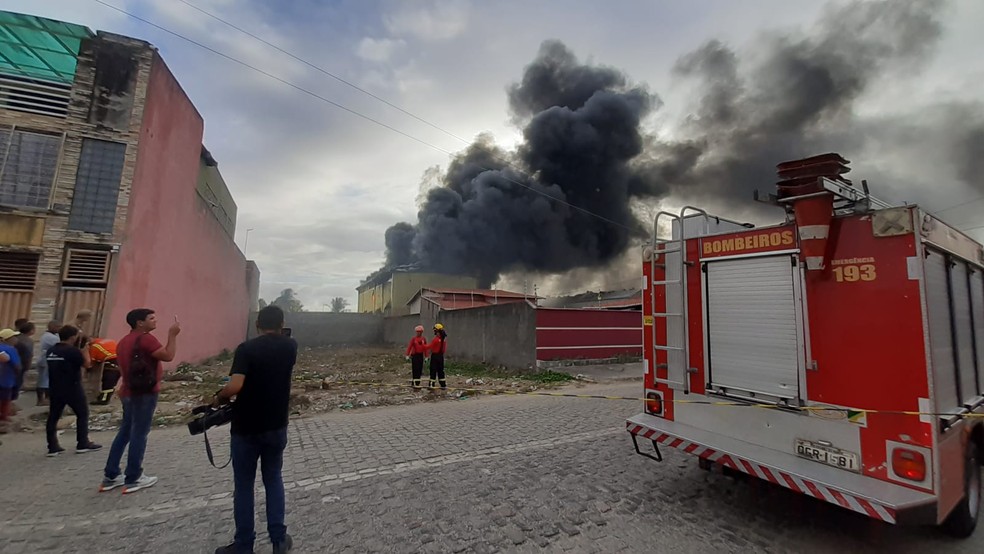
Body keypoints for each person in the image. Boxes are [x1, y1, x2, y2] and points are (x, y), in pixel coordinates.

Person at [213, 305, 296, 554]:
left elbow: (235, 385)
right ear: (282, 324)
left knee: (244, 485)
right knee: (273, 479)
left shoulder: (246, 349)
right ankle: (279, 540)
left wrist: (219, 396)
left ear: (258, 324)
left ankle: (244, 544)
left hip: (246, 427)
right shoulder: (291, 346)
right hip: (276, 424)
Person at [99, 308, 180, 494]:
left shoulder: (123, 342)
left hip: (127, 392)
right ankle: (133, 477)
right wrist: (173, 334)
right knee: (139, 433)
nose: (155, 321)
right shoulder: (146, 339)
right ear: (139, 323)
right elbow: (168, 355)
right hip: (145, 393)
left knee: (125, 432)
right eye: (151, 318)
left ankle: (111, 475)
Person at [45, 325, 102, 456]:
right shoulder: (73, 351)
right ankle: (82, 443)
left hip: (55, 388)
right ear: (72, 337)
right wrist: (85, 350)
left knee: (53, 416)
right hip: (72, 387)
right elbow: (87, 364)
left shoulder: (52, 351)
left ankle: (52, 447)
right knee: (82, 414)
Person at [35, 321, 61, 406]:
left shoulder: (54, 336)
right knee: (43, 381)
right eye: (57, 326)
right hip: (45, 360)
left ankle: (46, 399)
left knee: (47, 380)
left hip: (49, 359)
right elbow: (60, 344)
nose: (59, 328)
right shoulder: (49, 337)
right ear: (51, 327)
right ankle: (42, 399)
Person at [0, 329, 22, 430]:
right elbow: (17, 366)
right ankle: (4, 418)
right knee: (5, 399)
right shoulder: (11, 349)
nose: (16, 339)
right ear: (7, 339)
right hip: (6, 379)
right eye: (14, 337)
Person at [89, 339, 120, 405]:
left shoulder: (94, 346)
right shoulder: (109, 341)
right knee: (113, 381)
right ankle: (104, 396)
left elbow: (91, 362)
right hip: (122, 359)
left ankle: (104, 400)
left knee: (107, 381)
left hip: (112, 361)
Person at [14, 321, 35, 400]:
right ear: (30, 331)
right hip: (21, 364)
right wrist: (28, 365)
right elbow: (29, 355)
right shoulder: (28, 341)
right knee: (17, 383)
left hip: (12, 363)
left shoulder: (16, 337)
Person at [406, 325, 428, 390]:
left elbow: (425, 348)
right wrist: (407, 355)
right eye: (418, 332)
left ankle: (418, 382)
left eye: (420, 332)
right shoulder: (413, 339)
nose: (419, 333)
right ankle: (414, 382)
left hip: (420, 356)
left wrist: (426, 356)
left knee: (419, 369)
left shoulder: (423, 339)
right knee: (415, 369)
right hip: (415, 356)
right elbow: (409, 347)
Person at [427, 323, 449, 390]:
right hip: (441, 357)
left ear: (437, 331)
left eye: (435, 331)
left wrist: (422, 346)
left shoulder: (436, 339)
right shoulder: (443, 340)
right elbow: (444, 350)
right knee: (441, 371)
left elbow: (429, 347)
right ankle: (443, 385)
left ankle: (431, 385)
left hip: (435, 356)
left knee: (433, 371)